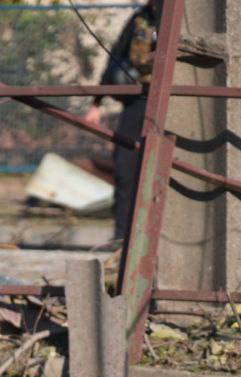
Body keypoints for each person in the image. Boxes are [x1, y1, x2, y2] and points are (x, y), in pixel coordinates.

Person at [85, 0, 160, 242]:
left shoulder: (184, 20)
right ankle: (121, 236)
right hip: (138, 100)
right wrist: (96, 102)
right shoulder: (140, 18)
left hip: (175, 101)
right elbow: (115, 57)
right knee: (125, 166)